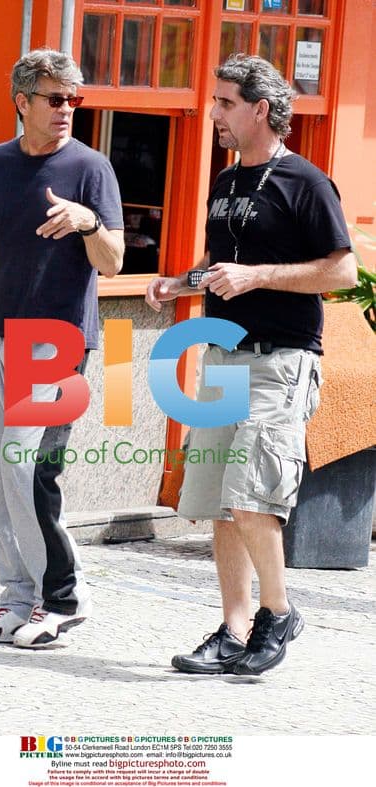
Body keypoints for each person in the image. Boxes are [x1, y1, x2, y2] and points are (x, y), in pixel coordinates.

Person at [145, 54, 356, 676]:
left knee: (252, 494)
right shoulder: (228, 181)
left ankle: (278, 613)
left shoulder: (306, 183)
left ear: (261, 110)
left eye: (226, 103)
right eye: (216, 101)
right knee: (217, 498)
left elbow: (341, 272)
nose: (214, 113)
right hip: (223, 358)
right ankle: (234, 631)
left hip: (280, 362)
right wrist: (177, 284)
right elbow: (224, 271)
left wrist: (258, 275)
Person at [0, 48, 124, 648]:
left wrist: (89, 222)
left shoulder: (92, 169)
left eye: (74, 99)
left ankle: (63, 597)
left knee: (26, 467)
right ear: (22, 102)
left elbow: (114, 264)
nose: (67, 109)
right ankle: (18, 598)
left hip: (59, 342)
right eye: (55, 98)